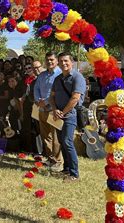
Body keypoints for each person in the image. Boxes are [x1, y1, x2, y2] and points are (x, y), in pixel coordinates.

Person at [49, 52, 86, 183]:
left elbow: (75, 98)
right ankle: (66, 169)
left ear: (72, 62)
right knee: (62, 142)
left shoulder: (78, 77)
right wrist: (54, 109)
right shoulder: (57, 79)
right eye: (61, 61)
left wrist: (62, 112)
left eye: (66, 61)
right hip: (58, 115)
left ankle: (75, 174)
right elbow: (51, 97)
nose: (63, 63)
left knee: (67, 142)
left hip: (70, 115)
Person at [34, 52, 62, 171]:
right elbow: (36, 89)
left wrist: (45, 102)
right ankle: (50, 158)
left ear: (56, 61)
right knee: (45, 136)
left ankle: (58, 161)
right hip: (41, 109)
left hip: (54, 109)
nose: (49, 62)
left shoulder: (60, 75)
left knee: (56, 137)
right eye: (47, 60)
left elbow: (58, 93)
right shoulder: (42, 75)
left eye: (52, 59)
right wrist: (37, 100)